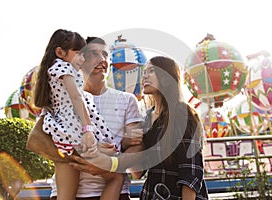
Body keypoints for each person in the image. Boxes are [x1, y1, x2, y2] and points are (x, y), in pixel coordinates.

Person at [71, 56, 209, 200]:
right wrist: (126, 143)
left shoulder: (182, 114)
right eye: (144, 72)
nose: (144, 76)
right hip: (152, 194)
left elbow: (191, 173)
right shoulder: (147, 118)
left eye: (151, 71)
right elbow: (137, 172)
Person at [33, 29, 124, 200]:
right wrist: (88, 130)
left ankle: (96, 147)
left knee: (113, 175)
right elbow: (76, 98)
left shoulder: (59, 74)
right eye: (81, 54)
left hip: (71, 130)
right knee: (115, 176)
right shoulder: (63, 69)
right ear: (60, 52)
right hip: (72, 127)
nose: (82, 59)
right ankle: (95, 147)